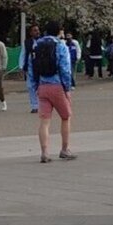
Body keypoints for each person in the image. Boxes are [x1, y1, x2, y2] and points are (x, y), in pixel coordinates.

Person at [34, 21, 75, 162]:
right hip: (57, 85)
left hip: (42, 86)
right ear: (59, 31)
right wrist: (67, 88)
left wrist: (35, 86)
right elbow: (65, 68)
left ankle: (44, 152)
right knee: (65, 117)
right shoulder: (60, 45)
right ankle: (64, 149)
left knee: (44, 121)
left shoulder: (37, 45)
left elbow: (32, 67)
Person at [22, 24, 41, 113]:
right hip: (30, 67)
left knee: (41, 86)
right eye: (34, 30)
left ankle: (43, 104)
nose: (37, 32)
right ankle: (34, 106)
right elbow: (24, 53)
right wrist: (22, 66)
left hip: (41, 67)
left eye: (37, 30)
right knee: (30, 86)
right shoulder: (27, 42)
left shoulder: (43, 41)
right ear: (30, 33)